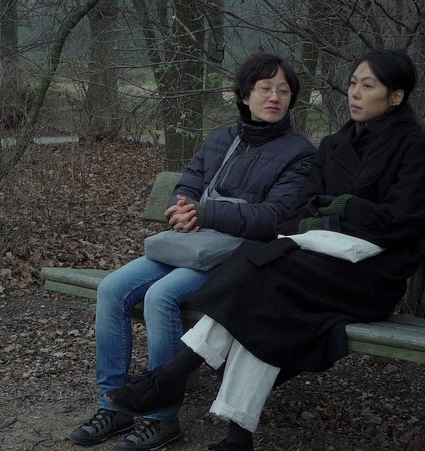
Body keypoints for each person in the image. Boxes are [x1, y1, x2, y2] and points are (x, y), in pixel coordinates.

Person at [105, 48, 425, 451]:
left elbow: (402, 223)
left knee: (265, 277)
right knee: (266, 296)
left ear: (396, 96)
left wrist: (339, 207)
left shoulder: (416, 149)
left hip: (372, 275)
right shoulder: (334, 145)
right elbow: (297, 214)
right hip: (316, 262)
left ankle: (173, 377)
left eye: (368, 86)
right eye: (353, 83)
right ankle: (234, 437)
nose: (355, 93)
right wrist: (336, 214)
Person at [68, 53, 316, 450]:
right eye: (265, 89)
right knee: (112, 288)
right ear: (244, 95)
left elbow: (274, 219)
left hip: (240, 256)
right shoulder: (220, 139)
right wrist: (181, 208)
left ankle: (161, 416)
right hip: (193, 244)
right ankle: (113, 405)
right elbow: (188, 182)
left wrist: (206, 213)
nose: (275, 97)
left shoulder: (299, 153)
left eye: (283, 91)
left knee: (162, 295)